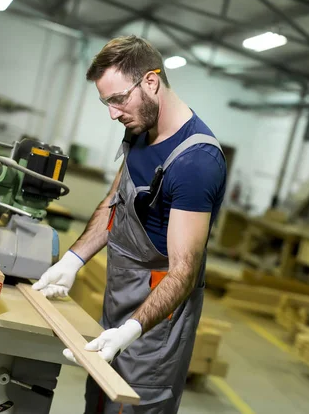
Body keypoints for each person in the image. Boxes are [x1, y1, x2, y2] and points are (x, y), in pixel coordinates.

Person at [33, 35, 227, 413]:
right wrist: (73, 261)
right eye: (106, 102)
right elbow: (115, 203)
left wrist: (131, 331)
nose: (113, 113)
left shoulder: (196, 163)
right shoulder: (139, 128)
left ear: (151, 82)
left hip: (156, 328)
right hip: (118, 305)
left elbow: (184, 272)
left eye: (118, 99)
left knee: (132, 406)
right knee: (98, 401)